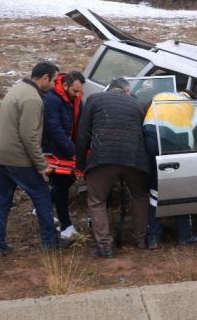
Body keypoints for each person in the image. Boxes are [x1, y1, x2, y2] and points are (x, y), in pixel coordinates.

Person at [0, 61, 71, 255]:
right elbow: (29, 136)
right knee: (42, 196)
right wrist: (41, 165)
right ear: (44, 78)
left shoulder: (18, 87)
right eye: (54, 81)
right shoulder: (33, 99)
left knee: (3, 200)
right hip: (17, 158)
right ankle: (50, 242)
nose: (54, 85)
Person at [76, 77, 150, 258]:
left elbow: (82, 134)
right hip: (134, 158)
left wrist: (80, 165)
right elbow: (144, 133)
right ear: (126, 90)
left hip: (103, 157)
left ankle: (105, 246)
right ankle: (141, 239)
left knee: (96, 201)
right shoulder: (138, 105)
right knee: (140, 196)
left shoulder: (94, 100)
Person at [142, 91, 197, 249]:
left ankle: (153, 238)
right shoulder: (194, 105)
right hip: (172, 143)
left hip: (148, 138)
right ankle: (185, 236)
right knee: (180, 189)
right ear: (190, 96)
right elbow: (193, 127)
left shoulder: (161, 95)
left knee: (154, 189)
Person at [41, 71, 85, 240]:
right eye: (75, 91)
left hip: (68, 148)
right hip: (54, 151)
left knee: (68, 182)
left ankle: (44, 203)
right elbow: (54, 129)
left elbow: (81, 122)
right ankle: (66, 225)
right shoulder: (52, 100)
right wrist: (73, 151)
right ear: (65, 85)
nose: (78, 94)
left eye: (80, 91)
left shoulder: (77, 99)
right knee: (61, 187)